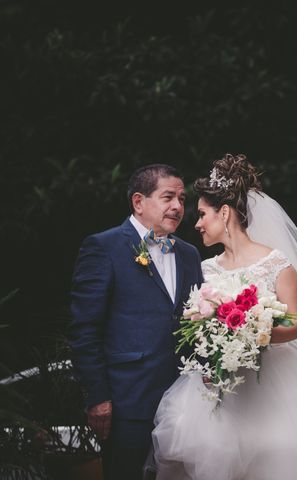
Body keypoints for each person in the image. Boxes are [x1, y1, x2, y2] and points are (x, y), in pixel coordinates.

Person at [152, 154, 297, 479]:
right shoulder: (203, 270)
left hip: (274, 388)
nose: (195, 224)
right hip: (220, 391)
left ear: (224, 213)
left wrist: (250, 333)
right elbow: (195, 328)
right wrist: (213, 345)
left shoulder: (277, 264)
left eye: (202, 214)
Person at [68, 164, 204, 480]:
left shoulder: (189, 254)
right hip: (128, 403)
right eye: (168, 197)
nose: (178, 206)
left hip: (186, 401)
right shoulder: (104, 247)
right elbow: (84, 329)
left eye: (182, 199)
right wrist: (98, 396)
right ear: (138, 202)